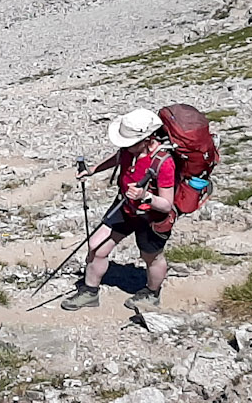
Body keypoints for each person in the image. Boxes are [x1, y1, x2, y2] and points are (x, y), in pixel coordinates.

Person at [61, 108, 179, 312]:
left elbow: (167, 204)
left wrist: (145, 196)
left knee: (152, 257)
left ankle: (152, 293)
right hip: (125, 207)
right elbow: (116, 158)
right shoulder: (129, 150)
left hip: (151, 217)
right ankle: (90, 292)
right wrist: (92, 171)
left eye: (130, 143)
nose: (125, 146)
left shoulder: (164, 162)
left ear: (147, 139)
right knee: (96, 246)